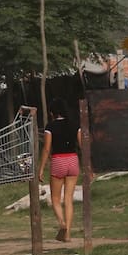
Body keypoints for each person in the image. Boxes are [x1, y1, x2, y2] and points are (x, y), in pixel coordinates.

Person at [38, 98, 81, 242]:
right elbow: (82, 145)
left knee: (55, 199)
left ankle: (62, 223)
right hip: (73, 160)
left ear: (52, 113)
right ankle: (67, 234)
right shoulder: (75, 125)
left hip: (58, 161)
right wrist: (91, 165)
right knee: (69, 199)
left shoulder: (50, 127)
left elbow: (46, 149)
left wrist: (41, 168)